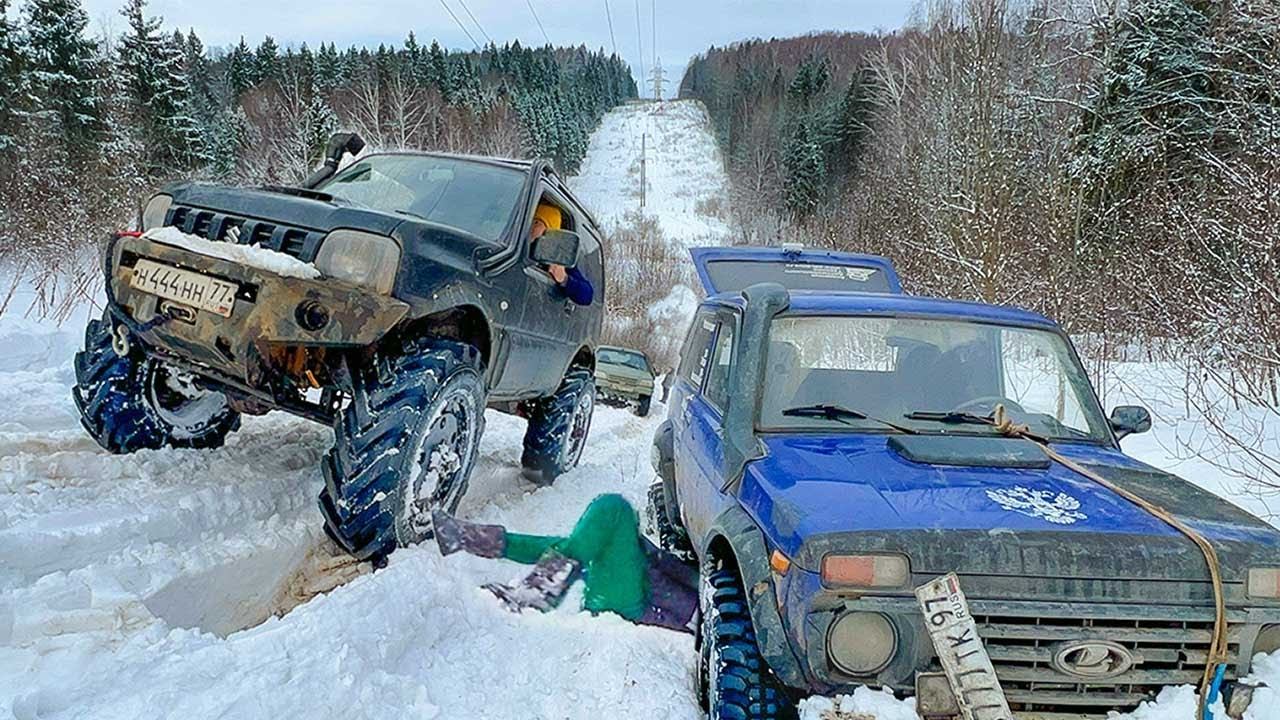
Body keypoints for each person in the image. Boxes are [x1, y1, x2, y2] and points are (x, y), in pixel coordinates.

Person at [432, 494, 698, 633]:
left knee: (613, 509)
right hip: (640, 583)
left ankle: (542, 589)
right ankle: (466, 537)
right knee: (572, 546)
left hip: (643, 600)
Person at [531, 203, 593, 306]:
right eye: (530, 221)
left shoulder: (557, 258)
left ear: (549, 231)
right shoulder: (511, 244)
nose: (531, 226)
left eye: (537, 222)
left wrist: (564, 279)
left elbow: (587, 295)